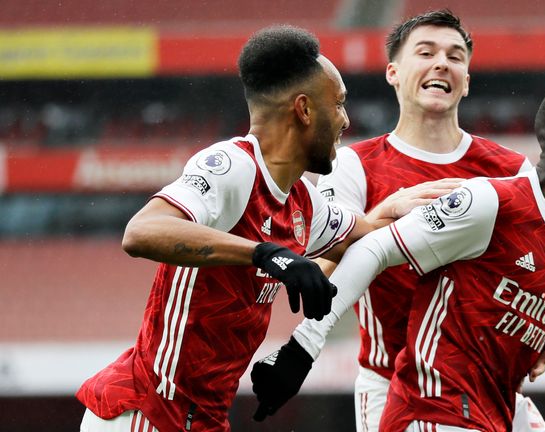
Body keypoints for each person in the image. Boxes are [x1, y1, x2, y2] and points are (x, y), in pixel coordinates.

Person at [75, 25, 448, 432]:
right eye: (339, 104)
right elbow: (142, 232)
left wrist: (425, 207)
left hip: (201, 419)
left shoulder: (305, 205)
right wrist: (266, 254)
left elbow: (374, 238)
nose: (345, 119)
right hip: (146, 410)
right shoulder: (232, 166)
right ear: (304, 110)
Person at [256, 80, 545, 431]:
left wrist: (527, 346)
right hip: (432, 410)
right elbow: (374, 247)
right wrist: (302, 347)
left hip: (494, 414)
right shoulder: (489, 201)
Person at [250, 10, 545, 432]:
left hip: (485, 385)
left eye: (455, 56)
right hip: (392, 386)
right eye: (426, 52)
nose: (441, 64)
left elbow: (531, 269)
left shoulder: (512, 169)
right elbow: (316, 274)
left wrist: (531, 331)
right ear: (393, 72)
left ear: (466, 79)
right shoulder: (352, 166)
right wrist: (379, 220)